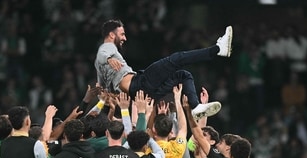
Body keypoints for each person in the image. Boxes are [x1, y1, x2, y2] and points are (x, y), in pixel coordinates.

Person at [95, 19, 233, 121]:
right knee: (177, 58)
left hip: (144, 93)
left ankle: (196, 107)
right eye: (122, 34)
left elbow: (104, 84)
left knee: (183, 75)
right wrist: (108, 59)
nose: (125, 38)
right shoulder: (107, 49)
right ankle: (218, 49)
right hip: (139, 84)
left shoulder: (104, 74)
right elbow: (101, 54)